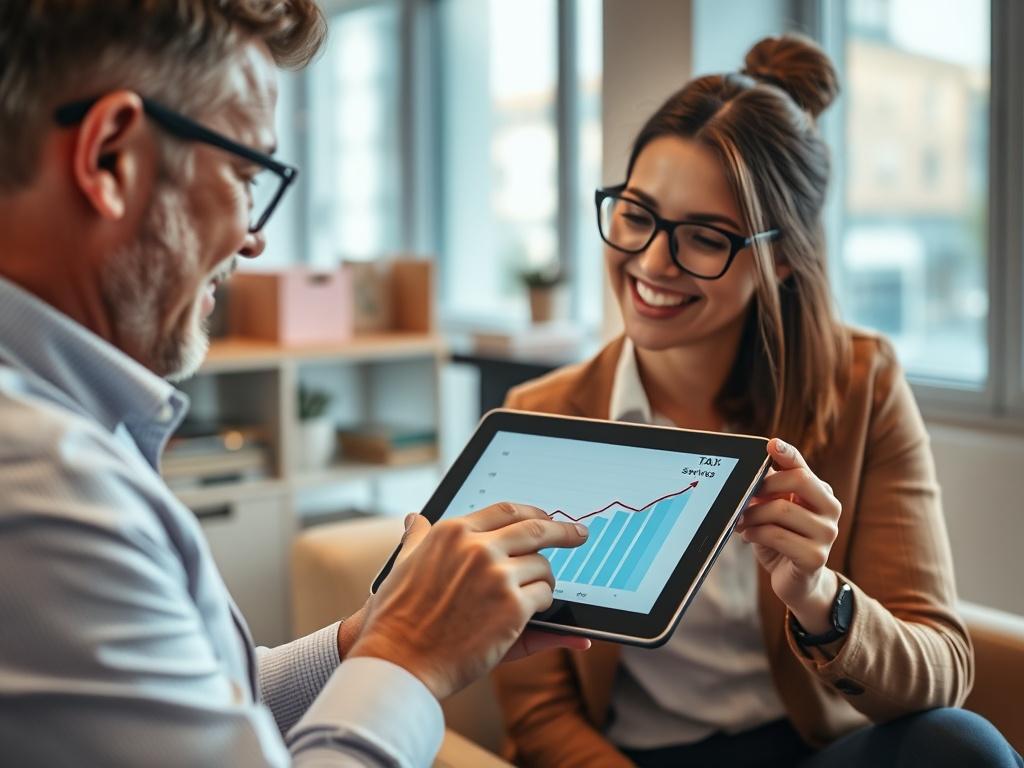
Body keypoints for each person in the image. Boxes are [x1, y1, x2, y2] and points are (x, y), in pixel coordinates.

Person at [0, 3, 591, 766]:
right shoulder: (43, 484)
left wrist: (374, 636)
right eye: (247, 173)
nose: (254, 236)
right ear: (111, 157)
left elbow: (209, 706)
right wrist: (411, 659)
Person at [494, 34, 1023, 768]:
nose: (651, 263)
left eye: (705, 237)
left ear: (780, 259)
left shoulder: (861, 385)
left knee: (958, 746)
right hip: (643, 759)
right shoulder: (543, 415)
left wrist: (818, 597)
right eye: (636, 216)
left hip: (811, 749)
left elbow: (943, 670)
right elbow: (540, 712)